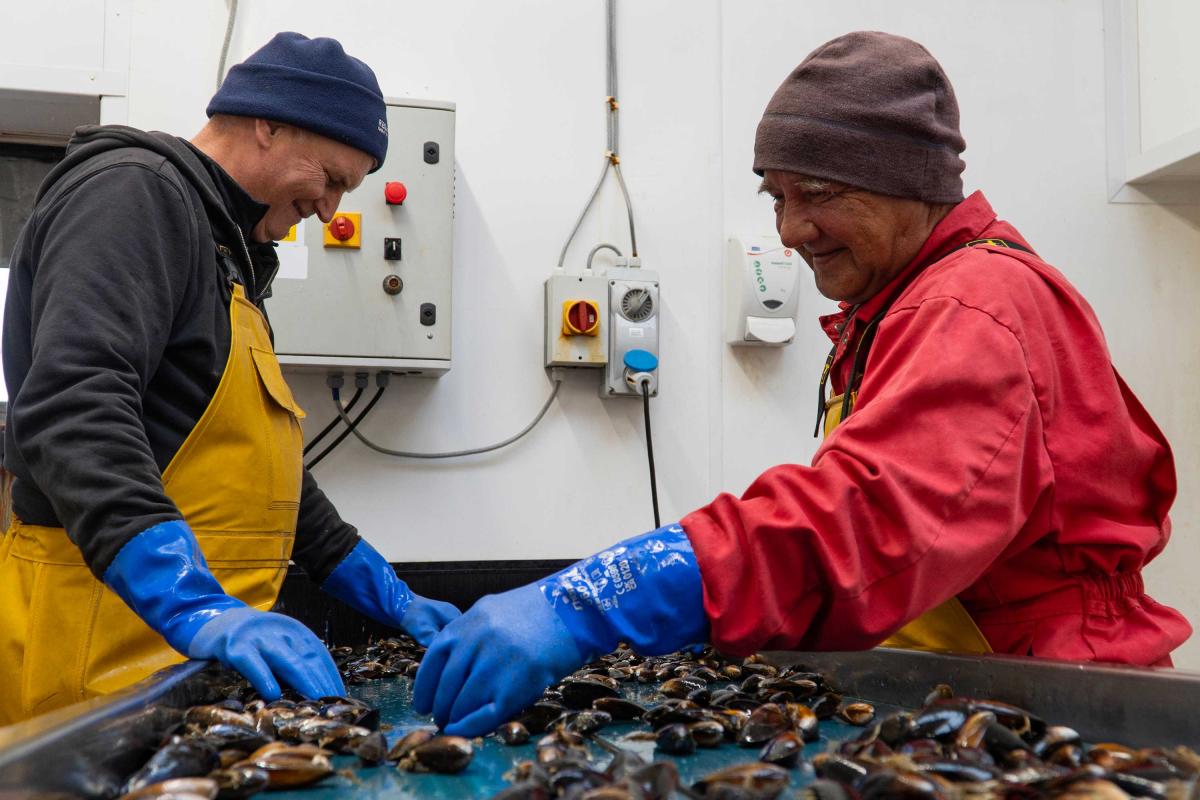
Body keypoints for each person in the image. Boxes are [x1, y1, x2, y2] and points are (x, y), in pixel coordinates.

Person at [413, 31, 1192, 737]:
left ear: (910, 181)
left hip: (1054, 706)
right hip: (963, 690)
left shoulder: (976, 306)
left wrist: (600, 596)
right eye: (777, 197)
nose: (789, 231)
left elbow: (864, 521)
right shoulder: (896, 305)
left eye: (817, 193)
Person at [0, 32, 459, 723]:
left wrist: (391, 595)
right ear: (268, 123)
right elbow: (74, 407)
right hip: (98, 650)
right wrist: (193, 601)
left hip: (184, 665)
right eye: (331, 179)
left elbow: (254, 468)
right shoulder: (135, 195)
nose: (332, 210)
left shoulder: (231, 254)